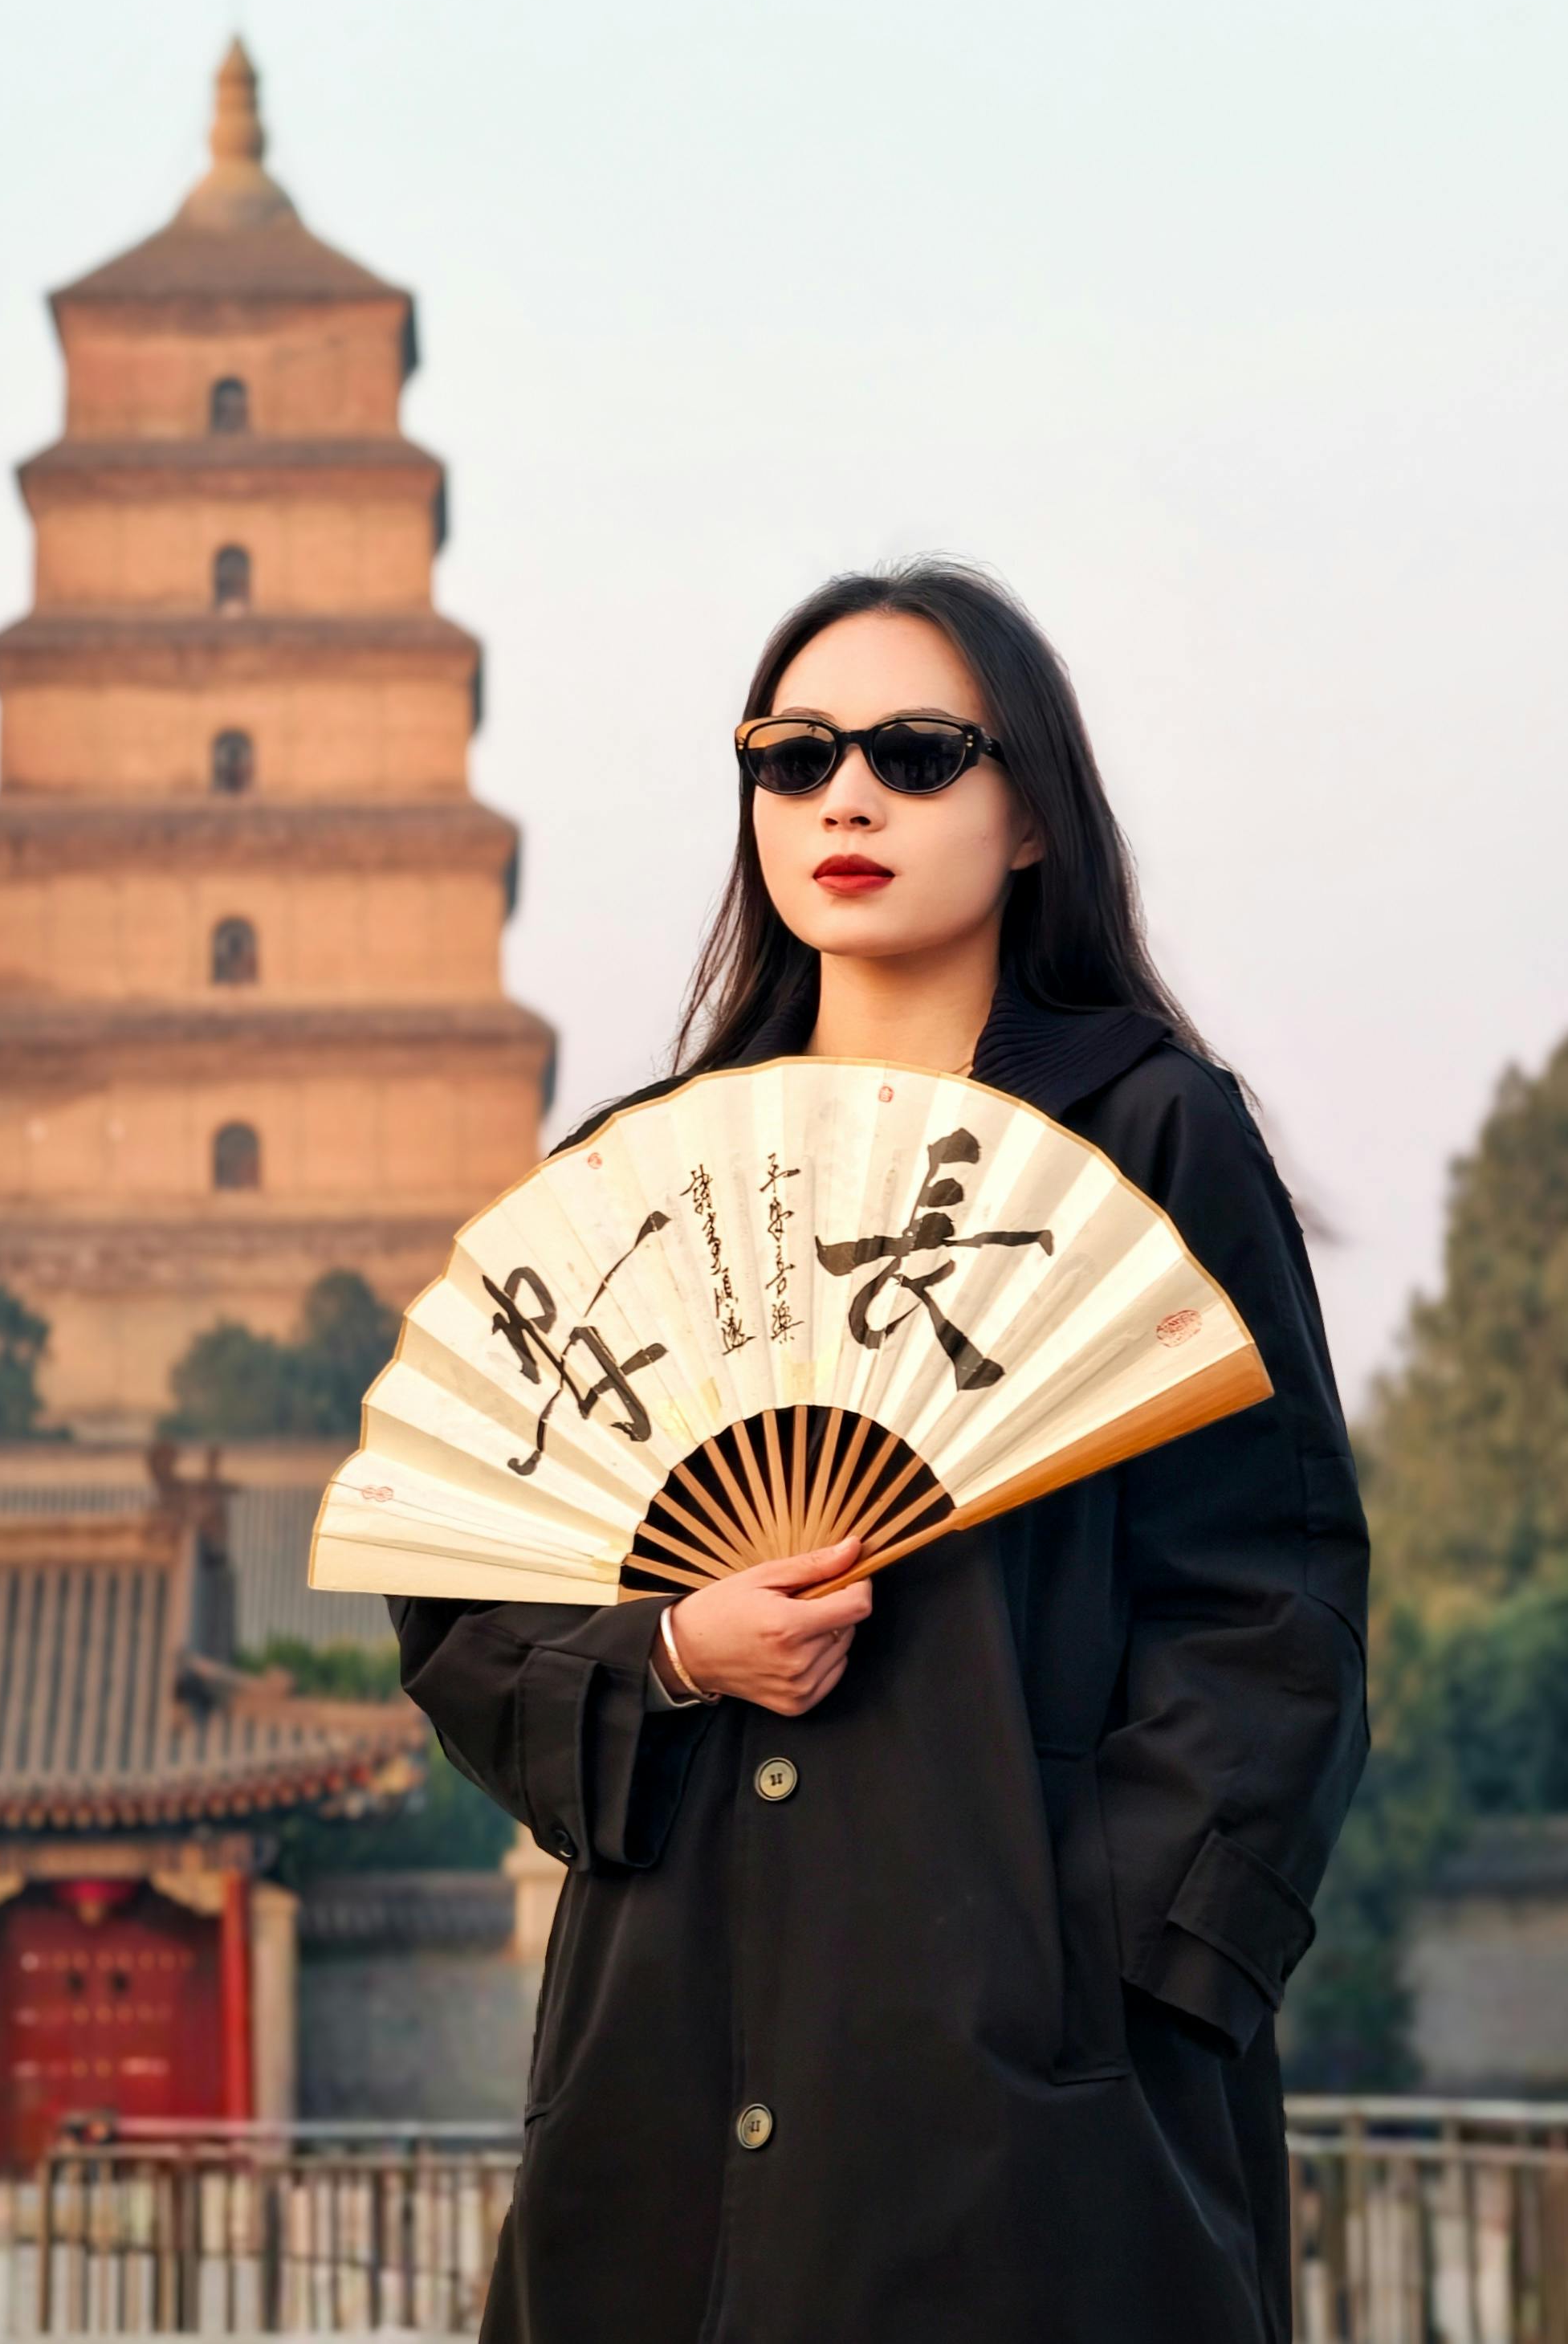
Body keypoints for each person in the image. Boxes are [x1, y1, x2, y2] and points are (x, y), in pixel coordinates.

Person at [389, 559, 1369, 2344]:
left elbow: (1273, 1597)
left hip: (1035, 2073)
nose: (845, 796)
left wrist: (1104, 1959)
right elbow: (470, 1602)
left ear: (1028, 821)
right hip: (671, 2029)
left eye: (917, 753)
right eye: (794, 752)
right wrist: (676, 1650)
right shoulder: (640, 1164)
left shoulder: (1150, 1129)